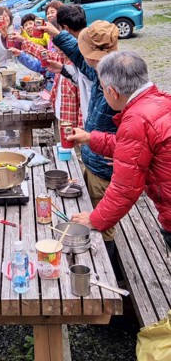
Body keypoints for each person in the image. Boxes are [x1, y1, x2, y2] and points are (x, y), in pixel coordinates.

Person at [71, 51, 171, 250]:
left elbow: (124, 189)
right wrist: (91, 138)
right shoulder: (161, 101)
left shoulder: (136, 119)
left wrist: (95, 220)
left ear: (113, 92)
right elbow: (136, 148)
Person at [47, 19, 119, 257]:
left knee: (101, 224)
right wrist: (56, 34)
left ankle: (112, 273)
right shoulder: (102, 67)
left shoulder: (117, 80)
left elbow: (135, 131)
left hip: (104, 167)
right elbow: (78, 56)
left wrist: (120, 153)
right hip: (94, 160)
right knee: (91, 216)